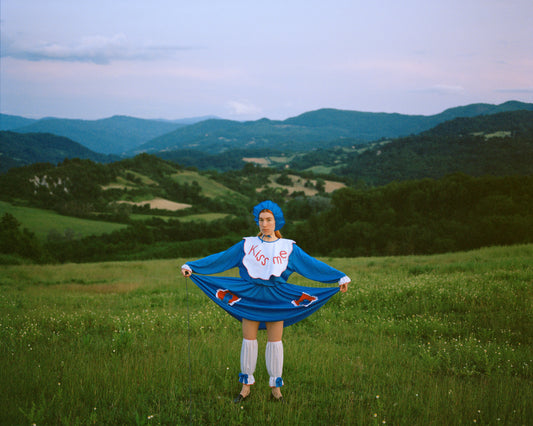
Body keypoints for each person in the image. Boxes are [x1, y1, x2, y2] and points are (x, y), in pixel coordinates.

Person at [181, 200, 350, 403]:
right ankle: (245, 388)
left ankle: (276, 389)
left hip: (277, 298)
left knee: (275, 342)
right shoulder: (247, 244)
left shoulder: (288, 247)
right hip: (250, 297)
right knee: (248, 341)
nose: (264, 224)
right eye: (261, 220)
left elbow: (311, 264)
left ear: (277, 221)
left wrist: (339, 277)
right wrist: (192, 266)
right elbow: (221, 258)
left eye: (269, 219)